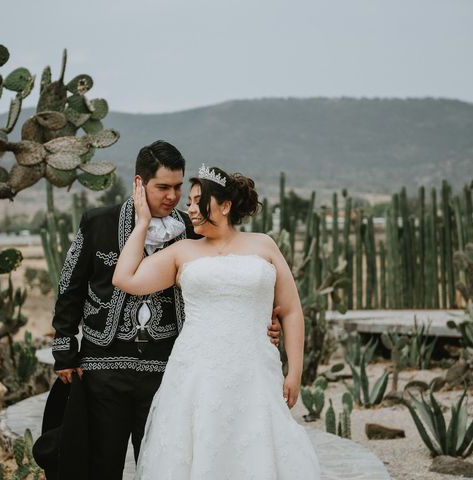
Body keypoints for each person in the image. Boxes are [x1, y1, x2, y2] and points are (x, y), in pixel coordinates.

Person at [50, 141, 281, 479]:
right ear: (140, 183)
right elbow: (70, 285)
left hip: (166, 368)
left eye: (177, 187)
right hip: (103, 365)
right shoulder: (98, 222)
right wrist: (65, 350)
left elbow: (226, 277)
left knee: (162, 466)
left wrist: (264, 322)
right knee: (100, 465)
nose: (173, 196)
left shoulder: (193, 229)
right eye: (163, 187)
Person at [113, 164, 321, 479]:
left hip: (256, 370)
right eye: (190, 203)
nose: (190, 210)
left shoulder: (264, 245)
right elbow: (125, 278)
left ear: (224, 206)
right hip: (197, 372)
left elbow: (291, 310)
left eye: (199, 202)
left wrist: (295, 371)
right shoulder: (182, 252)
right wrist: (142, 222)